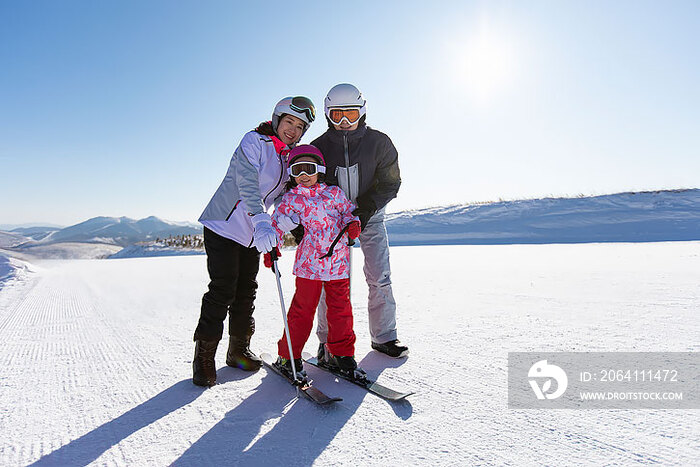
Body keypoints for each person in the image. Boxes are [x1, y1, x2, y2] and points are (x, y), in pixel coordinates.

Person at [191, 96, 316, 387]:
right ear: (277, 119)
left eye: (300, 127)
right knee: (222, 289)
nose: (293, 130)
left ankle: (238, 350)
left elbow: (285, 197)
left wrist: (297, 226)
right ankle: (204, 358)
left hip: (251, 234)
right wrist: (261, 219)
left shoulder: (289, 157)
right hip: (224, 223)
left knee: (246, 289)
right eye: (289, 122)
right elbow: (246, 181)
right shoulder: (254, 141)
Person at [310, 83, 408, 358]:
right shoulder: (317, 148)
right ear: (328, 115)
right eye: (337, 115)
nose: (344, 122)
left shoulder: (380, 142)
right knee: (332, 281)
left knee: (379, 276)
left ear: (361, 113)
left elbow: (391, 183)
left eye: (350, 115)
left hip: (371, 218)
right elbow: (311, 186)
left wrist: (364, 210)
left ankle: (385, 337)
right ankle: (327, 339)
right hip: (332, 221)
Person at [264, 144, 363, 382]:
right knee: (302, 310)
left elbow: (349, 212)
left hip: (338, 261)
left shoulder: (334, 194)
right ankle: (289, 356)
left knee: (341, 310)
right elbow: (275, 225)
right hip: (310, 263)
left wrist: (352, 223)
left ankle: (341, 353)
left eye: (308, 169)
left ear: (319, 169)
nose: (303, 175)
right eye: (297, 170)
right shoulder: (291, 199)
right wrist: (271, 247)